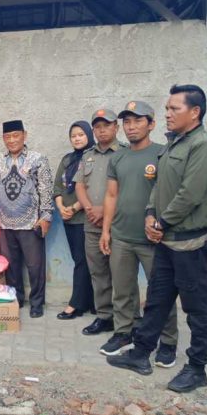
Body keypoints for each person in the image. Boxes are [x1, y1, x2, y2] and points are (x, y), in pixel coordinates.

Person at [107, 84, 207, 394]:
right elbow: (159, 186)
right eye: (168, 108)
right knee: (157, 302)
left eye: (174, 108)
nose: (168, 113)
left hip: (191, 244)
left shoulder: (203, 146)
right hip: (168, 242)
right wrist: (150, 214)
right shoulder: (175, 144)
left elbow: (189, 194)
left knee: (197, 310)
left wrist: (161, 222)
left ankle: (197, 368)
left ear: (195, 112)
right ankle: (141, 353)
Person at [97, 101, 179, 364]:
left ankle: (168, 342)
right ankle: (124, 333)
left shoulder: (163, 154)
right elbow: (111, 195)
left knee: (161, 293)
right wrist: (106, 231)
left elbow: (171, 194)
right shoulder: (118, 157)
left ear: (151, 124)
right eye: (127, 122)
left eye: (138, 121)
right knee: (122, 291)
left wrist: (162, 225)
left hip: (153, 239)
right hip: (121, 236)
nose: (131, 127)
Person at [0, 120, 53, 318]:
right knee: (11, 266)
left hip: (31, 223)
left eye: (16, 135)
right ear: (3, 138)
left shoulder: (37, 159)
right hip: (6, 222)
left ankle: (37, 303)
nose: (12, 140)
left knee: (35, 266)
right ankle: (17, 298)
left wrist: (46, 216)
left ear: (24, 135)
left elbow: (45, 189)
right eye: (8, 137)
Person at [75, 109, 124, 335]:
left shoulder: (125, 153)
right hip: (92, 223)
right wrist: (89, 208)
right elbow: (79, 185)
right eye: (97, 127)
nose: (102, 130)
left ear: (116, 127)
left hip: (118, 225)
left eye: (107, 125)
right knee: (98, 273)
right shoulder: (88, 155)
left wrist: (104, 210)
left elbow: (128, 188)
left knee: (122, 274)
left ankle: (127, 319)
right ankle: (104, 316)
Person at [53, 121, 96, 320]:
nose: (77, 138)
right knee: (80, 260)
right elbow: (57, 187)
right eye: (73, 136)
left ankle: (76, 304)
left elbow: (93, 188)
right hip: (68, 219)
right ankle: (91, 302)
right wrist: (61, 207)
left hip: (86, 218)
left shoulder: (94, 157)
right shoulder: (68, 160)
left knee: (84, 261)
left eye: (81, 134)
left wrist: (74, 208)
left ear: (89, 135)